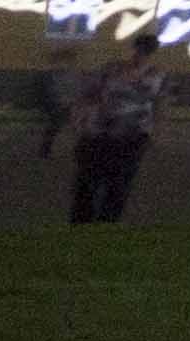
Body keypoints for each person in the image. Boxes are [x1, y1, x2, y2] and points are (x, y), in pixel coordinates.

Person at [63, 27, 168, 225]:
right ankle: (81, 223)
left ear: (152, 53)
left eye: (146, 52)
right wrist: (78, 120)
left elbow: (160, 104)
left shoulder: (157, 76)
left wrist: (156, 131)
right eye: (139, 50)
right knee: (88, 180)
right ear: (134, 49)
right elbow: (88, 94)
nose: (141, 55)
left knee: (119, 184)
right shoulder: (111, 69)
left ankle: (106, 224)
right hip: (100, 133)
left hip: (133, 136)